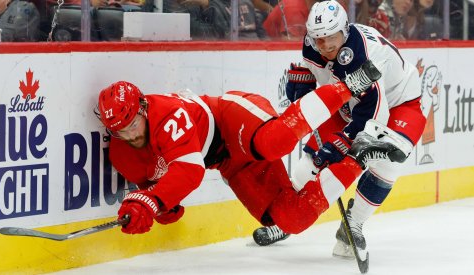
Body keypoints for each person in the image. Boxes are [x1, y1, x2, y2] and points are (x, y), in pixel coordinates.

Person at [94, 60, 399, 236]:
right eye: (118, 131)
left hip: (230, 118)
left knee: (272, 143)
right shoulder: (122, 154)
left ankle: (350, 84)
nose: (128, 134)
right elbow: (159, 191)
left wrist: (151, 201)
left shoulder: (167, 114)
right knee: (291, 220)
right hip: (229, 162)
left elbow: (189, 172)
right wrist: (158, 209)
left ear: (144, 107)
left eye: (132, 123)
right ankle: (360, 156)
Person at [253, 0, 426, 259]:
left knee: (387, 159)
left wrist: (344, 141)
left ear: (344, 31)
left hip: (400, 101)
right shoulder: (313, 45)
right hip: (351, 100)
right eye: (319, 39)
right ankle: (283, 219)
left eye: (331, 38)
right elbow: (316, 76)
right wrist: (305, 83)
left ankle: (353, 225)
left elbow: (374, 113)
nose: (325, 45)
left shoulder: (364, 56)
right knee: (312, 159)